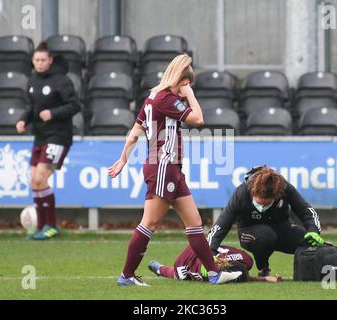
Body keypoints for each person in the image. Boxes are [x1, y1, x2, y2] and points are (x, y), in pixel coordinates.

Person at [108, 53, 242, 286]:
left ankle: (214, 273)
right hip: (163, 166)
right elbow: (198, 120)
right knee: (149, 223)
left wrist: (123, 159)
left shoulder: (151, 99)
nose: (186, 90)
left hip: (170, 168)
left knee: (194, 222)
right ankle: (126, 276)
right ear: (182, 81)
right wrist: (189, 94)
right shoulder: (167, 98)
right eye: (186, 84)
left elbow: (134, 133)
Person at [207, 165, 324, 277]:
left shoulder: (285, 188)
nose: (262, 206)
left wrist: (314, 231)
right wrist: (208, 254)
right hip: (249, 232)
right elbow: (221, 224)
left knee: (310, 241)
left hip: (281, 228)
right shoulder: (241, 193)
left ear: (277, 196)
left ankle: (309, 272)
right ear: (253, 191)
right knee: (266, 235)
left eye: (266, 203)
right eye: (259, 202)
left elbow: (306, 211)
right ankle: (263, 269)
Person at [16, 42, 80, 240]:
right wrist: (23, 120)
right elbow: (32, 108)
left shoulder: (61, 81)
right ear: (33, 61)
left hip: (58, 137)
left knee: (40, 179)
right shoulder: (32, 80)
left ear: (50, 60)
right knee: (34, 182)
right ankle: (40, 226)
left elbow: (74, 105)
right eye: (37, 60)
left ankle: (51, 227)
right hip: (40, 137)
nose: (40, 63)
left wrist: (52, 113)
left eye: (43, 60)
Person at [147, 244, 282, 283]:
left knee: (183, 276)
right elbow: (241, 274)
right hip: (194, 251)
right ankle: (159, 268)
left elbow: (242, 275)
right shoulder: (246, 260)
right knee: (179, 275)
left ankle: (158, 268)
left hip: (205, 253)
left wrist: (264, 279)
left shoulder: (242, 262)